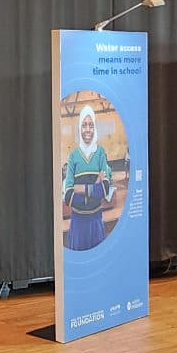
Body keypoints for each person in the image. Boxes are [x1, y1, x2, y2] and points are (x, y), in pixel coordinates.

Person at [62, 105, 115, 251]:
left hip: (96, 221)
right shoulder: (73, 156)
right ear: (79, 128)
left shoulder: (100, 154)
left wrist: (81, 189)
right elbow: (68, 196)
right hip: (78, 223)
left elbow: (104, 189)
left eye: (91, 125)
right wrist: (93, 188)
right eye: (84, 125)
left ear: (95, 128)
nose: (87, 130)